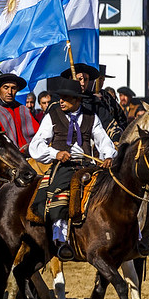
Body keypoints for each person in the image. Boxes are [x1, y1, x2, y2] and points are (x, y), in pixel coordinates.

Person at [28, 78, 117, 260]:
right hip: (64, 166)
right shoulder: (52, 116)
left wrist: (108, 155)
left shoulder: (92, 117)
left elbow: (103, 140)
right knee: (61, 190)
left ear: (77, 100)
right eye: (60, 97)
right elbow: (36, 144)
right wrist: (55, 154)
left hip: (87, 165)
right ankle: (61, 241)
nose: (61, 101)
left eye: (66, 98)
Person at [61, 63, 127, 142]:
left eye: (85, 80)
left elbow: (110, 124)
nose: (82, 83)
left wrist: (117, 139)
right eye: (79, 79)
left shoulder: (95, 102)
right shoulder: (56, 105)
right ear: (71, 78)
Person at [0, 73, 38, 152]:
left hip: (24, 156)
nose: (9, 92)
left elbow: (36, 135)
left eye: (13, 88)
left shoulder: (23, 110)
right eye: (6, 88)